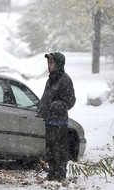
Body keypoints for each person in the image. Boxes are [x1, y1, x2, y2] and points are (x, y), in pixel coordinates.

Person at [37, 52, 76, 181]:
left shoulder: (65, 80)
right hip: (49, 120)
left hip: (59, 122)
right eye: (48, 63)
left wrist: (55, 105)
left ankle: (59, 175)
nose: (49, 65)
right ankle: (52, 173)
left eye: (51, 62)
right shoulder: (51, 79)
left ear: (58, 64)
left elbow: (70, 101)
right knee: (50, 150)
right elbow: (46, 98)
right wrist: (41, 107)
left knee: (59, 150)